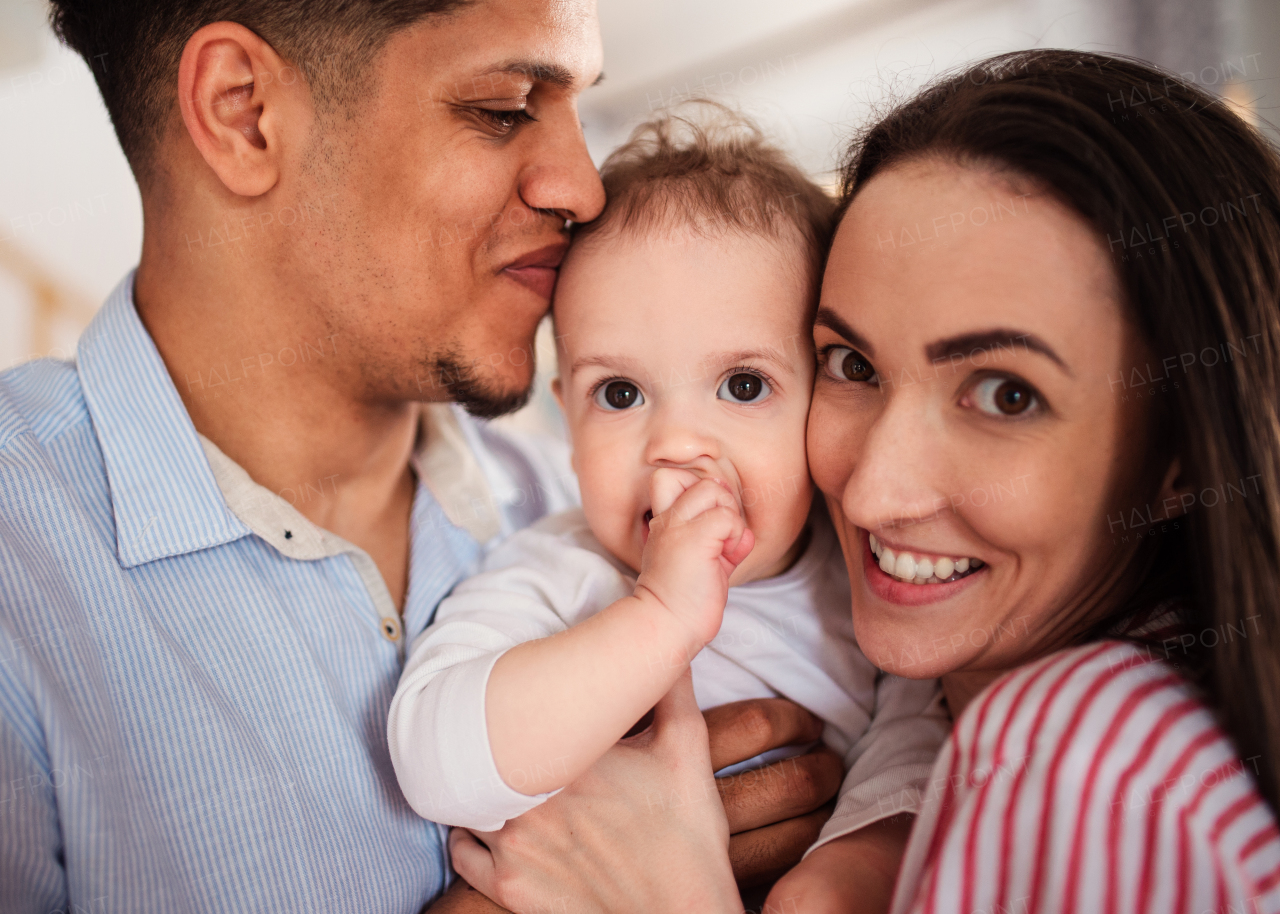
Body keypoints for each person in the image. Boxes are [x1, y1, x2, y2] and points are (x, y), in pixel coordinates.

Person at [0, 3, 845, 912]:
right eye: (506, 105)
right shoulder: (20, 557)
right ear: (244, 112)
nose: (584, 190)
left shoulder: (589, 504)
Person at [448, 50, 1280, 914]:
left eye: (1005, 394)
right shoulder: (948, 713)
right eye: (850, 363)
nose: (874, 493)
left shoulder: (1081, 760)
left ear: (1180, 453)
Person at [388, 112, 950, 911]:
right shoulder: (557, 574)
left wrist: (848, 864)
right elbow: (435, 760)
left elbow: (913, 753)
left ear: (827, 399)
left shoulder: (863, 587)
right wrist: (659, 619)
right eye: (619, 394)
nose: (678, 444)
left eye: (743, 386)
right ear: (568, 427)